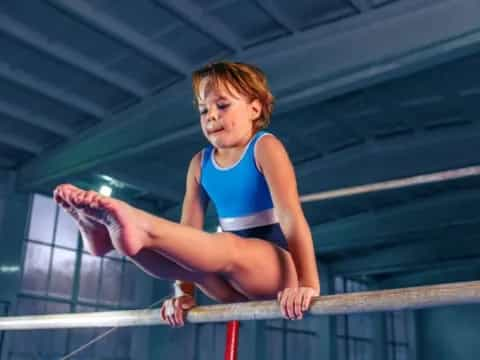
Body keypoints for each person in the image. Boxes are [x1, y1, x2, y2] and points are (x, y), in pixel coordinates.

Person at [54, 61, 320, 327]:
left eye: (223, 105)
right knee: (186, 259)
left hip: (277, 272)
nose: (211, 115)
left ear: (254, 107)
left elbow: (291, 218)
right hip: (228, 285)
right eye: (204, 110)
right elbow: (187, 235)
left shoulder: (265, 147)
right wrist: (183, 294)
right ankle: (112, 242)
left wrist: (308, 284)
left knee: (227, 246)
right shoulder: (200, 164)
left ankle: (138, 225)